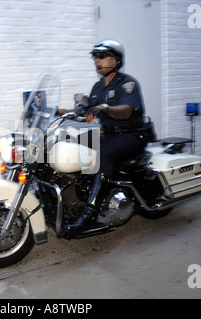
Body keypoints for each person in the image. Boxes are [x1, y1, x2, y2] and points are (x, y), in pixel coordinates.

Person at [59, 39, 149, 238]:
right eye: (95, 57)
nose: (97, 61)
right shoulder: (98, 87)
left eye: (101, 56)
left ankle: (91, 211)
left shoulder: (127, 83)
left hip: (132, 135)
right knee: (71, 144)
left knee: (103, 154)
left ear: (115, 60)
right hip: (108, 134)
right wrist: (61, 111)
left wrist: (105, 109)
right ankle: (75, 197)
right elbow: (86, 110)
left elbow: (126, 110)